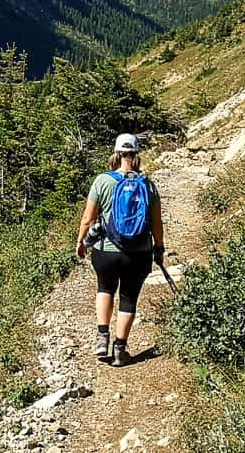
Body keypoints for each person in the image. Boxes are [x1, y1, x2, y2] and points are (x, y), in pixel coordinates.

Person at [76, 133, 164, 366]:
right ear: (136, 156)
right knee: (129, 298)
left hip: (106, 250)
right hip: (139, 252)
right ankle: (120, 350)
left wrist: (81, 241)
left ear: (116, 153)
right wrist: (159, 248)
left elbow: (88, 218)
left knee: (105, 288)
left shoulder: (102, 181)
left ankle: (102, 337)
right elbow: (157, 223)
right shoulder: (147, 184)